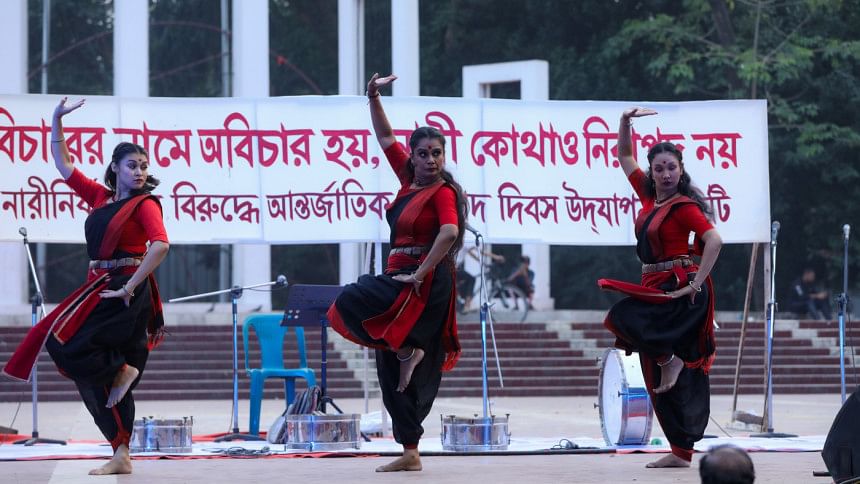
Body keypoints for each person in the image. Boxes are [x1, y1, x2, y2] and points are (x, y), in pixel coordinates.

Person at [2, 98, 170, 475]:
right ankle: (120, 451)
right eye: (132, 165)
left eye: (144, 165)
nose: (139, 171)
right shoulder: (100, 197)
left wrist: (129, 288)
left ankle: (121, 371)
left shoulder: (145, 204)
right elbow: (63, 164)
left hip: (125, 289)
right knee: (94, 380)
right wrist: (56, 120)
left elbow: (160, 245)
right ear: (115, 168)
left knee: (64, 342)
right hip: (101, 284)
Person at [326, 74, 467, 472]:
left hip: (426, 281)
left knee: (354, 299)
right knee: (389, 363)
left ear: (444, 156)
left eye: (437, 153)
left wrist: (420, 273)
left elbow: (450, 232)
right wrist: (373, 96)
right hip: (401, 276)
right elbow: (386, 136)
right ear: (413, 157)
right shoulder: (408, 180)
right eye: (423, 154)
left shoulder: (443, 192)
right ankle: (410, 452)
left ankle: (409, 352)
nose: (431, 160)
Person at [597, 107, 723, 468]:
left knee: (621, 317)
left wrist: (695, 283)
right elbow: (624, 156)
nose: (666, 174)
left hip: (679, 290)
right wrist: (624, 122)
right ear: (652, 173)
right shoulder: (649, 197)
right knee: (654, 372)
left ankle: (672, 360)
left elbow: (714, 240)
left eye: (671, 167)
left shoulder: (684, 206)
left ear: (681, 169)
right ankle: (681, 452)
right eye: (659, 168)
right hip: (654, 284)